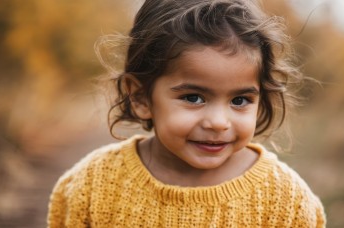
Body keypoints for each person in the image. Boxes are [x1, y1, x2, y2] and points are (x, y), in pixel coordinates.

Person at [47, 0, 326, 227]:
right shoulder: (92, 185)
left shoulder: (286, 200)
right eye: (193, 98)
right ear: (140, 97)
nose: (218, 122)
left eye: (240, 100)